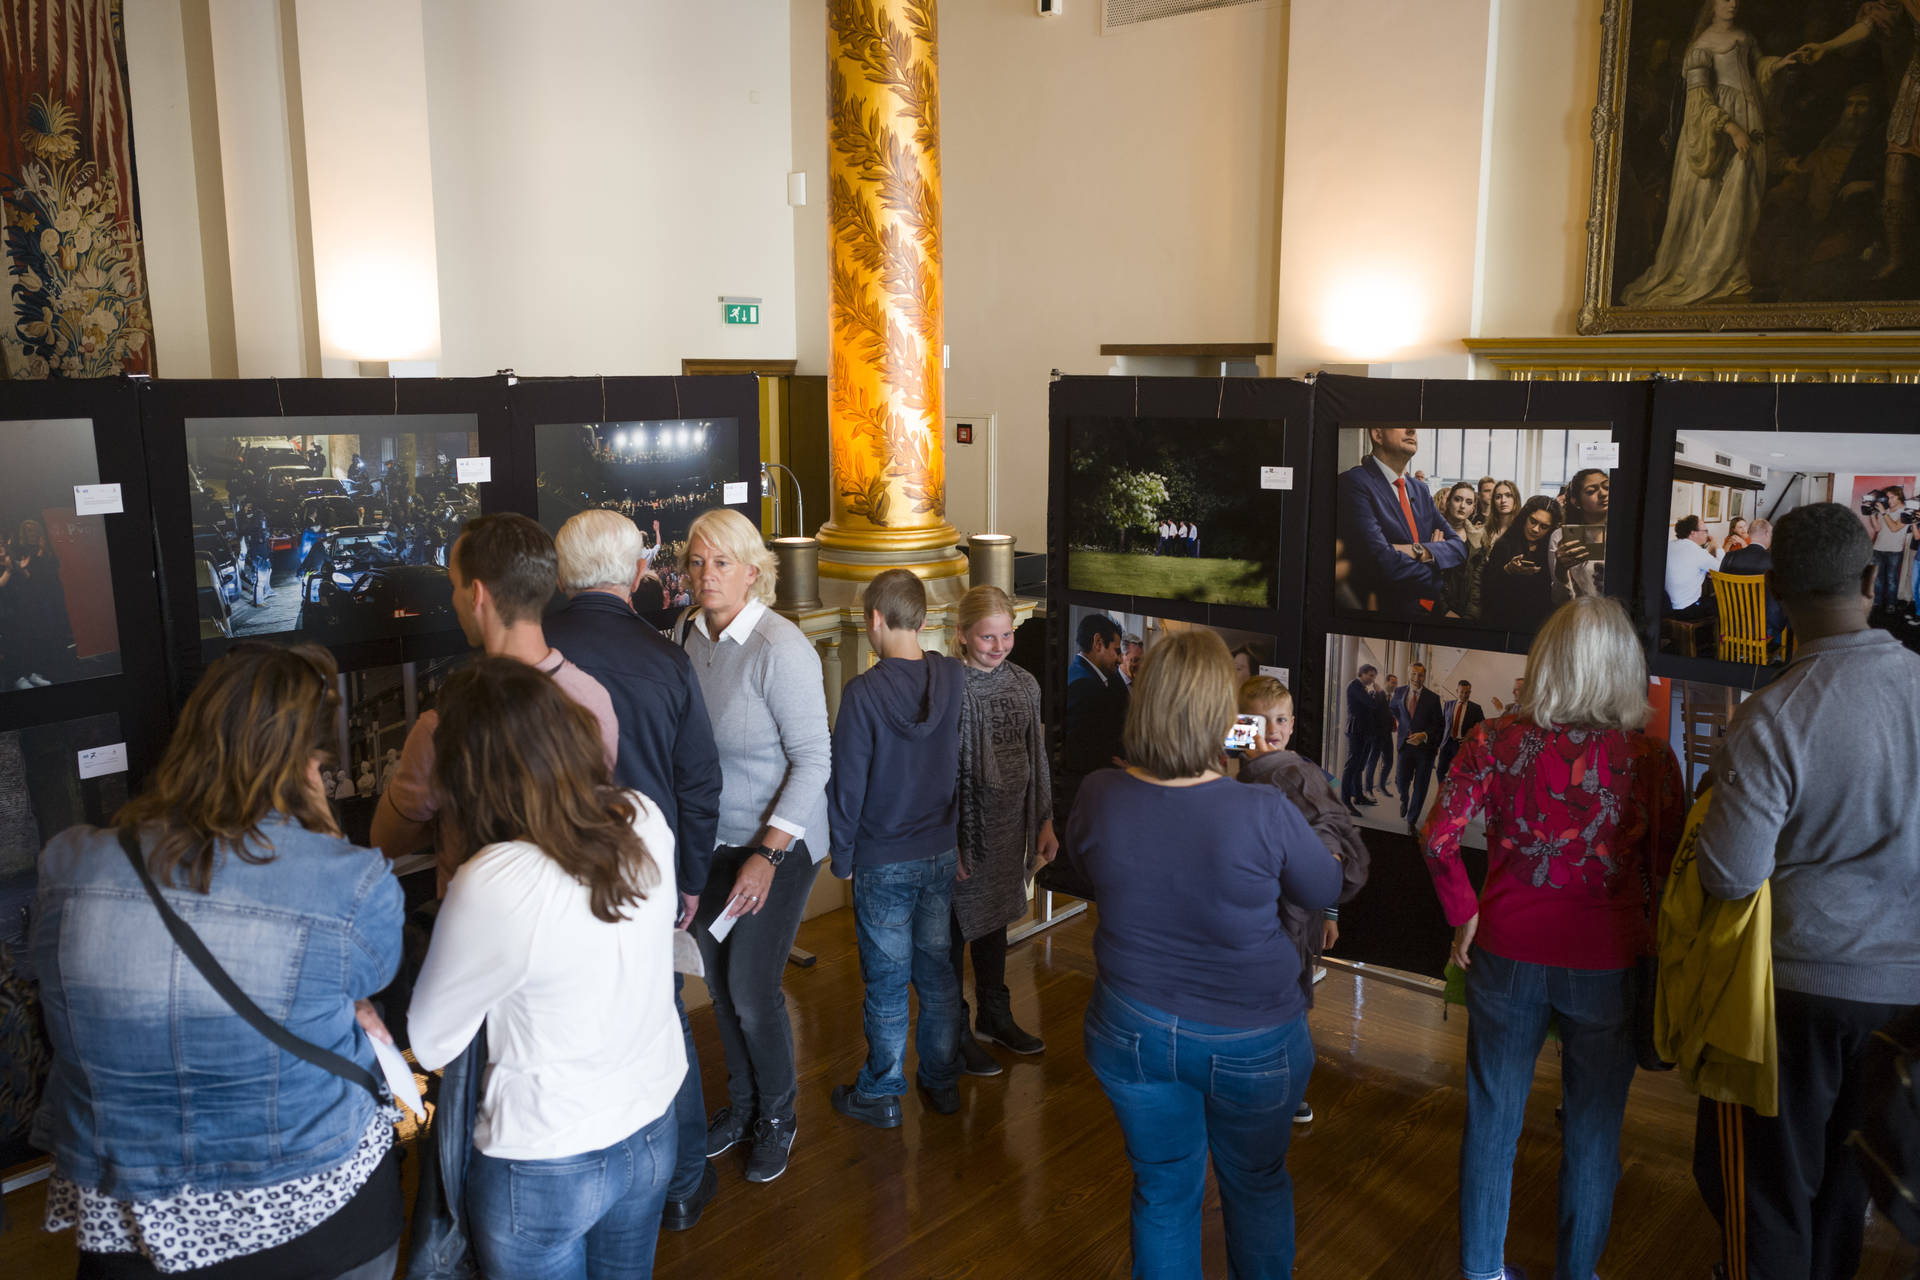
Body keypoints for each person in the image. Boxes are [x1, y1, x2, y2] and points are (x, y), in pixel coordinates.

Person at [33, 643, 406, 1280]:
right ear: (309, 763)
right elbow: (364, 979)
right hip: (321, 1208)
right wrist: (326, 839)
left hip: (135, 1220)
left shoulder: (71, 865)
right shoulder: (354, 883)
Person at [1064, 629, 1343, 1278]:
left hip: (1130, 1025)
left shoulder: (1099, 793)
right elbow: (1324, 888)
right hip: (1253, 1037)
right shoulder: (1263, 809)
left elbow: (1086, 864)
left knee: (1163, 1188)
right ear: (1225, 714)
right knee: (1256, 1182)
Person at [1688, 502, 1920, 1280]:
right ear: (1871, 581)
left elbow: (1729, 875)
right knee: (1843, 1199)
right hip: (1906, 999)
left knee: (1767, 1197)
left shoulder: (1774, 714)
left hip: (1793, 996)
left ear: (1777, 590)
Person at [1423, 596, 1686, 1280]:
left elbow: (1439, 838)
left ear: (1545, 661)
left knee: (1492, 1122)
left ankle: (1481, 1271)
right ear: (1622, 667)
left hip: (1505, 950)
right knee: (1594, 1135)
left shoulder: (1493, 740)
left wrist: (1463, 912)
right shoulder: (1651, 759)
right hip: (1609, 961)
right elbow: (1668, 874)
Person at [407, 658, 682, 1280]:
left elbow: (432, 1041)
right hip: (650, 1125)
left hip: (546, 1156)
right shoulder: (641, 816)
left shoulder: (496, 879)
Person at [545, 509, 725, 1231]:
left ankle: (583, 1188)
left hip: (548, 874)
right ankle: (680, 1186)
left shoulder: (534, 652)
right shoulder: (667, 659)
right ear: (640, 573)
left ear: (562, 574)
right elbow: (699, 784)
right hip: (647, 877)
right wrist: (691, 879)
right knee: (661, 1018)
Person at [679, 507, 831, 1185]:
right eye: (696, 562)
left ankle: (777, 1116)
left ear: (752, 571)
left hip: (778, 846)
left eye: (721, 562)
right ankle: (742, 1106)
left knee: (749, 988)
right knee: (716, 981)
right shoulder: (686, 634)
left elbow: (815, 761)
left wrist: (766, 856)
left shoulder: (780, 648)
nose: (706, 575)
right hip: (712, 842)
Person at [370, 514, 619, 875]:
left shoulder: (444, 726)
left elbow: (386, 840)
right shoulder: (594, 699)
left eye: (454, 585)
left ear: (477, 595)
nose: (453, 599)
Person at [828, 570, 966, 1126]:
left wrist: (841, 857)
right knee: (937, 971)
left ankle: (882, 1093)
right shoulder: (952, 676)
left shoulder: (862, 693)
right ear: (925, 619)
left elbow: (847, 785)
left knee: (887, 984)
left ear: (875, 620)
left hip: (882, 857)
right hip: (941, 849)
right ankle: (941, 1080)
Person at [1234, 675, 1369, 1125]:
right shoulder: (1226, 773)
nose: (1271, 730)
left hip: (1292, 916)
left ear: (1292, 724)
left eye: (1279, 720)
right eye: (1259, 721)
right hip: (1244, 914)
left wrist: (1329, 912)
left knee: (1288, 1001)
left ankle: (1286, 1089)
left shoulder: (1310, 778)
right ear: (1241, 724)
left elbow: (1332, 850)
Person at [1621, 0, 1804, 307]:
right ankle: (1712, 271)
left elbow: (1758, 68)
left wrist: (1778, 64)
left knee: (1747, 196)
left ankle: (1735, 270)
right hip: (1718, 129)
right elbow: (1698, 99)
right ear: (1713, 4)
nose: (1733, 3)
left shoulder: (1745, 36)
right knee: (1717, 197)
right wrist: (1731, 128)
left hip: (1751, 115)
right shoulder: (1701, 46)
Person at [951, 585, 1057, 1076]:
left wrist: (1045, 819)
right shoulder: (951, 687)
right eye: (987, 637)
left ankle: (994, 1014)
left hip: (1011, 823)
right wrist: (949, 839)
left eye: (1007, 635)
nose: (999, 646)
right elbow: (941, 772)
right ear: (962, 635)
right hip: (964, 830)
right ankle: (952, 1029)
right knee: (953, 932)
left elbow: (1038, 756)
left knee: (994, 924)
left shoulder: (1025, 684)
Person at [1336, 425, 1467, 615]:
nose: (1412, 429)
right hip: (1384, 612)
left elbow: (1458, 547)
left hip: (1428, 610)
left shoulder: (1420, 490)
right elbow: (1382, 562)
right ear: (1378, 434)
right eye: (1402, 422)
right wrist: (1435, 568)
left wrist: (1419, 550)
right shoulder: (1353, 482)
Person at [1061, 612, 1129, 820]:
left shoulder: (1103, 678)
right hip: (1090, 795)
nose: (1120, 659)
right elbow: (1081, 752)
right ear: (1098, 643)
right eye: (1117, 651)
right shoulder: (1082, 685)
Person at [1481, 496, 1562, 633]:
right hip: (1503, 623)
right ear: (1525, 517)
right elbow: (1487, 586)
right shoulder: (1504, 544)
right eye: (1533, 521)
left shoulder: (1552, 550)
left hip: (1539, 624)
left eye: (1544, 526)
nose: (1535, 529)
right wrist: (1508, 570)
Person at [1392, 663, 1444, 831]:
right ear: (1408, 674)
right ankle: (1404, 798)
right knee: (1401, 781)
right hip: (1405, 746)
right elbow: (1394, 709)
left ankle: (1411, 820)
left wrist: (1424, 735)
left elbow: (1439, 726)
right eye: (1413, 674)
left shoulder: (1433, 698)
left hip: (1425, 751)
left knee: (1420, 787)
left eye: (1420, 675)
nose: (1416, 678)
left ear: (1424, 676)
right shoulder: (1399, 692)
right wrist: (1403, 726)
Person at [1720, 517, 1786, 647]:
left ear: (1749, 533)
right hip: (1761, 629)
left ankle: (1739, 651)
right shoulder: (1774, 561)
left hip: (1731, 623)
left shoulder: (1729, 557)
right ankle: (1775, 651)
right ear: (1767, 533)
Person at [1548, 467, 1609, 602]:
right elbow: (1559, 601)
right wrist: (1561, 572)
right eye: (1591, 491)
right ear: (1576, 501)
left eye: (1607, 487)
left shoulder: (1624, 533)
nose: (1603, 494)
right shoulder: (1561, 537)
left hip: (1617, 611)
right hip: (1579, 611)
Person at [1439, 481, 1489, 620]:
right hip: (1436, 612)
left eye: (1468, 502)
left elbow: (1477, 583)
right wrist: (1444, 610)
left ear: (1473, 508)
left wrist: (1471, 614)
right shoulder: (1434, 534)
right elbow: (1427, 578)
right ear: (1448, 502)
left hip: (1466, 614)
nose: (1462, 506)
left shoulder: (1477, 541)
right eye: (1457, 499)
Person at [1666, 514, 1724, 622]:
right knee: (1726, 600)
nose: (1708, 534)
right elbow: (1723, 569)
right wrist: (1718, 547)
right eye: (1705, 531)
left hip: (1668, 607)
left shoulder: (1670, 544)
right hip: (1687, 610)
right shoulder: (1697, 551)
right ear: (1693, 533)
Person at [1340, 662, 1379, 816]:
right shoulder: (1354, 685)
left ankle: (1359, 796)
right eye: (1370, 675)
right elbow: (1371, 704)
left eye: (1374, 677)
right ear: (1362, 673)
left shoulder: (1362, 688)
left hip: (1364, 732)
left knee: (1359, 766)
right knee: (1351, 766)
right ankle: (1345, 801)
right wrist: (1376, 693)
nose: (1372, 679)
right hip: (1356, 731)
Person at [1865, 485, 1910, 616]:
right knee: (1877, 578)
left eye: (1892, 497)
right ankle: (1877, 602)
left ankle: (1891, 604)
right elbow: (1877, 528)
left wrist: (1884, 512)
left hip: (1894, 550)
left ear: (1899, 496)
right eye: (1887, 497)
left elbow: (1894, 528)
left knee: (1891, 579)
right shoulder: (1886, 509)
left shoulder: (1906, 512)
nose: (1889, 500)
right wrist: (1872, 514)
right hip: (1878, 548)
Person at [1436, 679, 1485, 783]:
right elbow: (1442, 725)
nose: (1464, 695)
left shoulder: (1476, 708)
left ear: (1470, 692)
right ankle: (1444, 789)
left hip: (1462, 745)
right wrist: (1438, 743)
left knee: (1459, 773)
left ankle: (1454, 790)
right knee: (1440, 771)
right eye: (1462, 692)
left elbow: (1483, 728)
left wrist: (1471, 735)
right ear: (1457, 691)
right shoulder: (1448, 705)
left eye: (1467, 692)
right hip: (1447, 743)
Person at [1367, 672, 1398, 800]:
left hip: (1387, 734)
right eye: (1392, 682)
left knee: (1389, 761)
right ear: (1386, 682)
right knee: (1372, 762)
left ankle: (1381, 785)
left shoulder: (1394, 699)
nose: (1394, 685)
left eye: (1396, 683)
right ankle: (1368, 789)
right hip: (1377, 734)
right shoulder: (1376, 694)